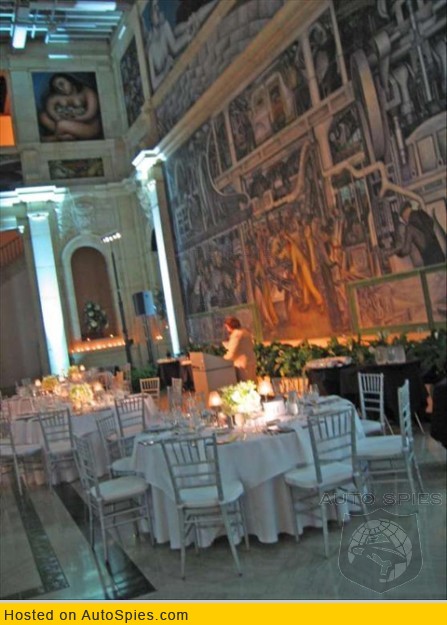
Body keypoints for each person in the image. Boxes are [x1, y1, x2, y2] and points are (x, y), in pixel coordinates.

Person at [38, 73, 102, 142]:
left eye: (61, 84)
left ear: (70, 81)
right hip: (67, 121)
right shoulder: (57, 96)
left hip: (88, 126)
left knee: (62, 124)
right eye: (57, 88)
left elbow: (91, 114)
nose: (60, 89)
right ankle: (68, 136)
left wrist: (73, 118)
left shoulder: (86, 91)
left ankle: (56, 137)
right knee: (43, 116)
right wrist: (58, 117)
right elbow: (50, 108)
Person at [386, 201, 445, 267]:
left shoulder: (410, 228)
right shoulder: (423, 214)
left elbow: (406, 250)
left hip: (431, 261)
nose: (405, 221)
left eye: (403, 218)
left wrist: (394, 251)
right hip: (440, 255)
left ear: (404, 214)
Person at [222, 316, 257, 383]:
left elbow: (232, 352)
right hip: (251, 362)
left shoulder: (236, 334)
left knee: (244, 386)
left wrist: (222, 361)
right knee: (252, 384)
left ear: (230, 326)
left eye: (227, 327)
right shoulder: (245, 332)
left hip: (242, 366)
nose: (227, 330)